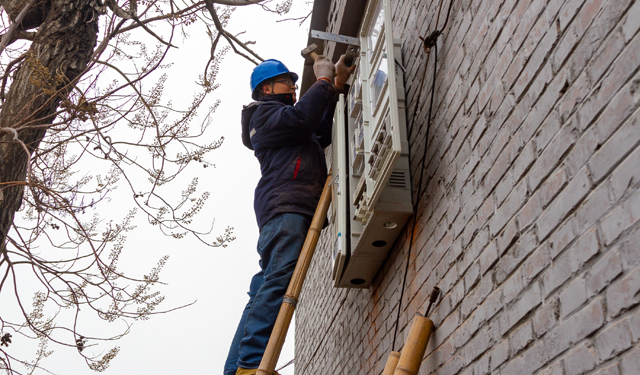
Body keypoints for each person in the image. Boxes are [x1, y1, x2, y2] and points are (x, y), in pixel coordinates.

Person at [224, 55, 355, 375]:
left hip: (288, 208)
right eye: (288, 82)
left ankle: (237, 368)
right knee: (278, 279)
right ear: (266, 88)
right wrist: (322, 81)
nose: (295, 87)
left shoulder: (284, 120)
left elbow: (320, 131)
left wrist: (336, 85)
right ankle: (251, 362)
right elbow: (303, 120)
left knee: (265, 286)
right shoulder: (264, 116)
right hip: (286, 208)